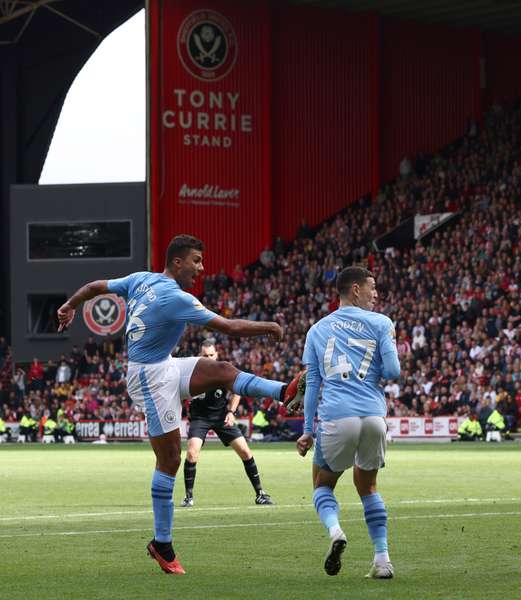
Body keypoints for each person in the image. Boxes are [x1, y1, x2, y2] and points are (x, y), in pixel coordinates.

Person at [56, 234, 304, 575]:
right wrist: (269, 327)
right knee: (170, 459)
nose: (201, 268)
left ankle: (284, 393)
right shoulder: (175, 296)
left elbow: (96, 286)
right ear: (177, 262)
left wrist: (70, 305)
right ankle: (162, 543)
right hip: (149, 377)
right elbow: (229, 327)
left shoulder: (141, 279)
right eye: (196, 261)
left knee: (222, 370)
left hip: (164, 364)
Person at [295, 267, 401, 579]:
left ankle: (336, 531)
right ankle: (382, 561)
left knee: (322, 485)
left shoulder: (316, 330)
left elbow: (312, 384)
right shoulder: (382, 323)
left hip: (337, 416)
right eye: (373, 288)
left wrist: (307, 430)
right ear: (355, 290)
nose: (377, 294)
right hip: (373, 417)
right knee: (368, 487)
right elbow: (393, 371)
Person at [181, 339, 274, 508]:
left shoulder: (223, 370)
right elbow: (179, 392)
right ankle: (188, 497)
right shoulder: (190, 371)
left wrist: (231, 412)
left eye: (211, 355)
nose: (209, 358)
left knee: (245, 451)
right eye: (205, 355)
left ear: (216, 354)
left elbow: (237, 390)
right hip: (199, 418)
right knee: (192, 453)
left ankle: (260, 493)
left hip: (221, 417)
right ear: (199, 356)